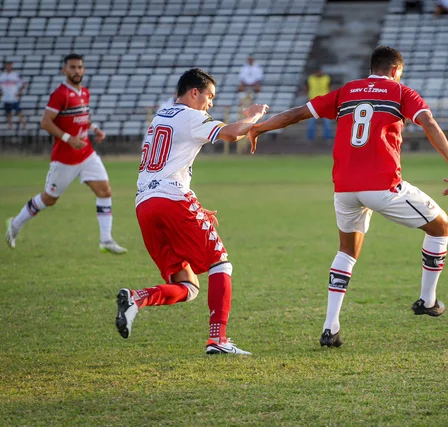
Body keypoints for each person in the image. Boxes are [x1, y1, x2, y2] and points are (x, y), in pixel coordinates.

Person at [248, 46, 448, 348]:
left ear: (372, 67)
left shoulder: (347, 91)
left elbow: (297, 114)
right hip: (383, 186)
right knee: (442, 227)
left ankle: (330, 327)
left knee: (346, 251)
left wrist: (259, 128)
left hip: (345, 188)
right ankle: (427, 300)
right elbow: (427, 122)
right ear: (396, 70)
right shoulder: (401, 92)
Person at [115, 68, 269, 355]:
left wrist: (193, 204)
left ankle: (137, 299)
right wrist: (256, 115)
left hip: (144, 203)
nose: (210, 104)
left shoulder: (161, 115)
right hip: (172, 198)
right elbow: (234, 134)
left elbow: (167, 165)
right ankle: (218, 340)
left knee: (188, 285)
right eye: (209, 96)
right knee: (220, 263)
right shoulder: (190, 115)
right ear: (193, 92)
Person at [5, 54, 126, 254]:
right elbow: (45, 122)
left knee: (105, 191)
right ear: (64, 70)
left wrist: (94, 128)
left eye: (80, 67)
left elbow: (82, 117)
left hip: (86, 153)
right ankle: (15, 223)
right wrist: (69, 139)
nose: (77, 71)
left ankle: (106, 240)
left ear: (84, 70)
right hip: (65, 157)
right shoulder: (60, 94)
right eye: (72, 67)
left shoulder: (84, 92)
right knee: (50, 199)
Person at [306, 67, 333, 140]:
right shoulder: (310, 78)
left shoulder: (326, 78)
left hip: (325, 101)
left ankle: (328, 137)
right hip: (313, 102)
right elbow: (307, 88)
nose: (319, 73)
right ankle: (310, 138)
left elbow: (330, 88)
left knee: (327, 121)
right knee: (311, 121)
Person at [0, 61, 26, 130]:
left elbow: (23, 83)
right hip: (6, 97)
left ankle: (24, 125)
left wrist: (19, 92)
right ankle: (10, 126)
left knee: (18, 111)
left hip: (14, 97)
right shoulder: (2, 75)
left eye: (9, 65)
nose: (8, 66)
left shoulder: (15, 75)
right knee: (8, 112)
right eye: (7, 65)